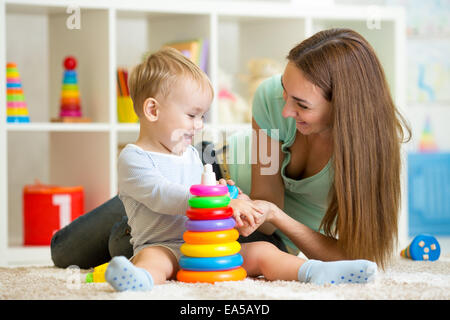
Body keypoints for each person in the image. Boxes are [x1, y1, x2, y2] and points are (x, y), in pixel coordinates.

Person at [104, 45, 378, 292]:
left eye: (202, 116)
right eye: (191, 115)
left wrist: (231, 196)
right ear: (152, 110)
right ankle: (140, 280)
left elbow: (206, 188)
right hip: (165, 246)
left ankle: (317, 271)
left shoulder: (189, 154)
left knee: (262, 251)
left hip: (207, 246)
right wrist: (218, 200)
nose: (199, 125)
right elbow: (162, 195)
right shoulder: (134, 158)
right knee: (151, 259)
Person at [229, 28, 411, 272]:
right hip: (221, 175)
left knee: (245, 256)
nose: (285, 111)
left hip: (273, 238)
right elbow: (265, 217)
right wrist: (249, 207)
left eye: (302, 105)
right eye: (285, 90)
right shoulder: (270, 97)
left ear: (343, 108)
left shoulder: (372, 153)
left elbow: (357, 259)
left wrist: (275, 216)